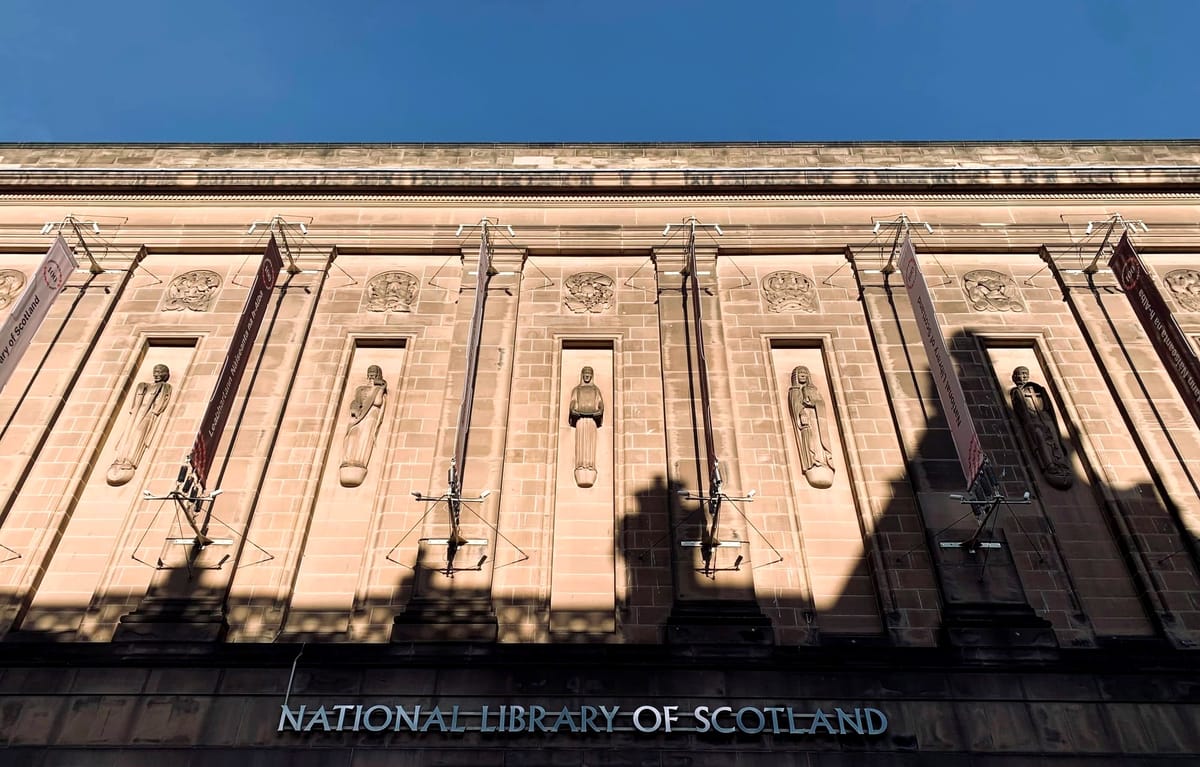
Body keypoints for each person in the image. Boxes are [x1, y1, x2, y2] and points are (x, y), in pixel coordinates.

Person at [107, 364, 172, 486]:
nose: (157, 374)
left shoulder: (165, 387)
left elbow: (162, 402)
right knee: (127, 434)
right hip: (136, 414)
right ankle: (120, 459)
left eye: (160, 372)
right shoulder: (143, 386)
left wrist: (155, 411)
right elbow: (135, 402)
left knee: (139, 434)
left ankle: (130, 460)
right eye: (155, 371)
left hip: (149, 414)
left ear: (165, 374)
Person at [1009, 366, 1073, 489]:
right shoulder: (1016, 392)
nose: (1023, 377)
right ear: (1015, 377)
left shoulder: (1036, 389)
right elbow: (1020, 410)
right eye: (1020, 374)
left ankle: (1061, 464)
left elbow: (1047, 405)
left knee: (1054, 439)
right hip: (1032, 421)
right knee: (1039, 438)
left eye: (1025, 374)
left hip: (1045, 418)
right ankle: (1049, 465)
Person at [339, 365, 388, 487]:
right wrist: (354, 408)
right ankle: (348, 460)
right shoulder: (360, 389)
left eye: (374, 374)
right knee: (352, 436)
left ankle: (360, 461)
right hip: (358, 416)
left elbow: (378, 402)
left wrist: (380, 387)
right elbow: (356, 401)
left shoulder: (378, 389)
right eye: (370, 373)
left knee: (365, 438)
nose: (371, 376)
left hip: (371, 415)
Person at [788, 366, 835, 488]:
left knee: (819, 442)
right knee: (809, 442)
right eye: (800, 373)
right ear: (796, 376)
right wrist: (802, 412)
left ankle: (823, 461)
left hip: (817, 420)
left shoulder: (813, 389)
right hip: (806, 422)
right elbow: (795, 406)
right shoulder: (794, 391)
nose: (803, 375)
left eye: (805, 373)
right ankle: (812, 462)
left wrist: (814, 404)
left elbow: (821, 404)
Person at [569, 366, 604, 488]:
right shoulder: (577, 390)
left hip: (591, 421)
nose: (587, 376)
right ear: (582, 375)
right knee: (581, 443)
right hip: (580, 420)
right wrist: (573, 409)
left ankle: (590, 466)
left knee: (590, 444)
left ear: (592, 375)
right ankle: (580, 466)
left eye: (589, 374)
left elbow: (600, 403)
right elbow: (573, 402)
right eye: (585, 373)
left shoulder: (596, 390)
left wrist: (600, 410)